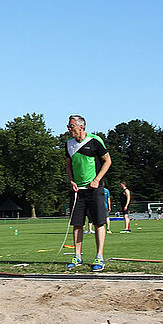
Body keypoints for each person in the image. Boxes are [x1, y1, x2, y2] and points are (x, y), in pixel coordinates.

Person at [64, 115, 112, 272]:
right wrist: (71, 181)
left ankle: (99, 256)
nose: (69, 128)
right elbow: (69, 166)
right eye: (69, 126)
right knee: (77, 224)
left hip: (94, 189)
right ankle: (77, 256)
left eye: (71, 126)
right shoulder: (69, 144)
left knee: (99, 222)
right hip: (79, 191)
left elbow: (107, 161)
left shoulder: (95, 140)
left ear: (81, 127)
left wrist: (97, 179)